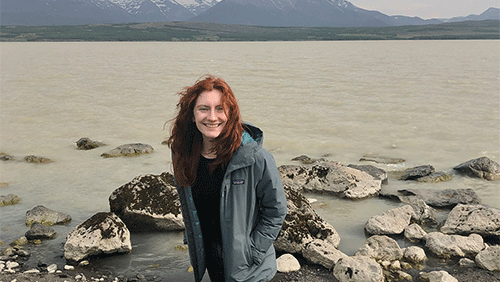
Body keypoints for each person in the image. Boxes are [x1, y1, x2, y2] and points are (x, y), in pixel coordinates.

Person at [167, 75, 287, 282]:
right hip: (213, 264)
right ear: (192, 114)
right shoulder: (184, 155)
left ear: (230, 114)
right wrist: (192, 239)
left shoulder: (255, 158)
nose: (212, 117)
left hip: (252, 270)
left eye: (220, 109)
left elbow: (276, 210)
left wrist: (254, 250)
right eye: (203, 108)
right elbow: (189, 205)